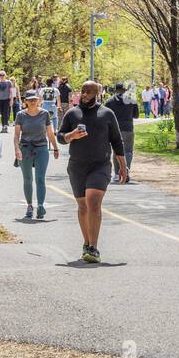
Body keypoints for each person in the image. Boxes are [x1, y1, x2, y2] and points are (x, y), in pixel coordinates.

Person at [57, 80, 127, 263]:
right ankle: (87, 243)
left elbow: (117, 141)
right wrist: (71, 135)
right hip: (77, 166)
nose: (84, 94)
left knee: (93, 203)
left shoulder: (107, 114)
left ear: (97, 94)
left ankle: (94, 248)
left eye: (89, 91)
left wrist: (123, 166)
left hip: (100, 165)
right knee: (82, 206)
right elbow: (60, 136)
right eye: (83, 91)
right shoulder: (73, 113)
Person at [14, 90, 58, 220]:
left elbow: (50, 132)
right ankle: (29, 206)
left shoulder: (44, 114)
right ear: (25, 101)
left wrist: (55, 148)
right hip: (25, 148)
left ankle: (40, 206)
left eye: (35, 99)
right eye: (30, 100)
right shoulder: (20, 115)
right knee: (27, 179)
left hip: (41, 148)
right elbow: (16, 135)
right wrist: (17, 149)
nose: (33, 102)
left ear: (38, 100)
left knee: (40, 178)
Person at [105, 81, 139, 184]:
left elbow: (105, 115)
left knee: (116, 151)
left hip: (115, 129)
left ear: (116, 90)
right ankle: (126, 171)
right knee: (128, 151)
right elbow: (136, 115)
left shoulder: (110, 101)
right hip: (128, 128)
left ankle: (116, 174)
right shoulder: (132, 100)